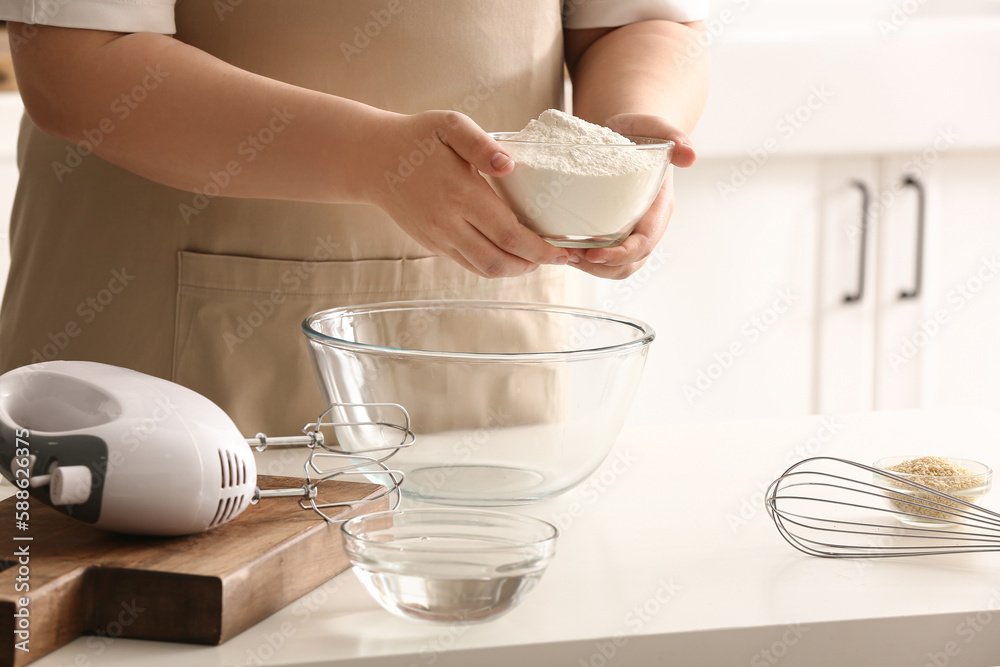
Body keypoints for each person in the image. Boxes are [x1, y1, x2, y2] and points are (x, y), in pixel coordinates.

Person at [0, 1, 710, 436]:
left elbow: (640, 18)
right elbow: (73, 63)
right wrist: (373, 159)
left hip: (483, 350)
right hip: (163, 365)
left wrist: (627, 141)